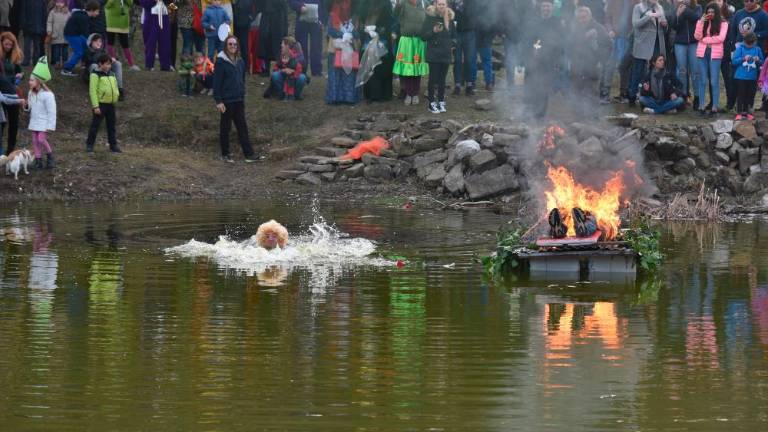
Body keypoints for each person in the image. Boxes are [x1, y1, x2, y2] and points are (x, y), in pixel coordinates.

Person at [213, 35, 260, 162]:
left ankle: (249, 155)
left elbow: (242, 80)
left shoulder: (240, 61)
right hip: (226, 101)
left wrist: (242, 93)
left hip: (238, 99)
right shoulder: (221, 62)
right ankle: (225, 154)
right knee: (225, 128)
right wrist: (218, 101)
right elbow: (216, 83)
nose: (233, 46)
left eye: (235, 44)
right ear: (226, 46)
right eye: (230, 44)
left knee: (242, 127)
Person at [524, 0, 564, 118]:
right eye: (544, 6)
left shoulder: (557, 23)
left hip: (549, 60)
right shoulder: (534, 21)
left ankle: (541, 114)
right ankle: (529, 113)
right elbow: (529, 39)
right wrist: (533, 49)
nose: (546, 8)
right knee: (532, 86)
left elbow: (561, 43)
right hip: (534, 60)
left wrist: (558, 60)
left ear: (552, 8)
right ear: (540, 8)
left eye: (548, 6)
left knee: (544, 88)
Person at [567, 6, 612, 102]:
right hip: (577, 67)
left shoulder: (599, 28)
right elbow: (569, 45)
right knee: (576, 95)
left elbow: (608, 45)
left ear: (590, 17)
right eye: (580, 18)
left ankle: (592, 111)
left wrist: (601, 60)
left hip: (593, 66)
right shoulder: (575, 29)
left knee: (592, 95)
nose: (582, 20)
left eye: (584, 17)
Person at [629, 0, 667, 105]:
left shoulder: (660, 8)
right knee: (638, 70)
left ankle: (653, 95)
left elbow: (663, 26)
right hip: (643, 43)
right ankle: (632, 96)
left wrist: (665, 24)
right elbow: (635, 24)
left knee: (655, 71)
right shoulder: (638, 7)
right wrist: (649, 16)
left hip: (657, 43)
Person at [694, 2, 727, 116]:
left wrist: (705, 40)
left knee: (714, 81)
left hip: (715, 54)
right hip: (702, 53)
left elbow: (721, 38)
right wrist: (701, 22)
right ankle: (701, 107)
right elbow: (697, 36)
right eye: (708, 12)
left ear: (716, 12)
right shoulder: (702, 22)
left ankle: (714, 108)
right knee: (702, 80)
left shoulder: (723, 23)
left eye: (713, 12)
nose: (710, 14)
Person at [358, 0, 394, 102]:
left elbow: (389, 21)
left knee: (381, 67)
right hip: (367, 40)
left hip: (383, 41)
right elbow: (360, 20)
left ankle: (382, 94)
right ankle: (370, 94)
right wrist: (365, 29)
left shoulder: (386, 4)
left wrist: (378, 30)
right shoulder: (364, 4)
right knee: (369, 67)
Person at [393, 0, 428, 105]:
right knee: (407, 69)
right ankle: (408, 93)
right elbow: (395, 14)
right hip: (406, 41)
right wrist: (398, 5)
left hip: (419, 41)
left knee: (417, 69)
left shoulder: (424, 3)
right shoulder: (403, 4)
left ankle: (415, 93)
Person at [325, 0, 360, 104]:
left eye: (347, 3)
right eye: (343, 3)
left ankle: (348, 98)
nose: (345, 5)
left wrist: (352, 34)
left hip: (350, 49)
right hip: (335, 49)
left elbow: (358, 32)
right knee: (335, 74)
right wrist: (342, 35)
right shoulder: (333, 16)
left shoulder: (354, 17)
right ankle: (335, 97)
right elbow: (330, 31)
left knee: (349, 73)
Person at [422, 0, 453, 113]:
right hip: (434, 53)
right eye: (439, 4)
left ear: (446, 5)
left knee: (442, 80)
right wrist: (433, 31)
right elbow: (423, 37)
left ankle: (441, 101)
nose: (441, 6)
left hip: (446, 53)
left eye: (443, 4)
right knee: (433, 79)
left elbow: (454, 35)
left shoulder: (450, 19)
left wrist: (453, 44)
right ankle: (431, 103)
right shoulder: (429, 18)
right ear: (435, 5)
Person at [86, 53, 121, 152]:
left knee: (111, 125)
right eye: (106, 64)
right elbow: (93, 91)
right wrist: (95, 106)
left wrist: (117, 94)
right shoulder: (95, 75)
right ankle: (90, 144)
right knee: (95, 125)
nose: (108, 66)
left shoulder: (112, 74)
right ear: (100, 64)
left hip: (111, 104)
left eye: (110, 64)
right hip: (100, 104)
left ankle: (113, 145)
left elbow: (115, 86)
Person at [26, 59, 57, 169]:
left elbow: (52, 111)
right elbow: (29, 107)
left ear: (38, 82)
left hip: (44, 122)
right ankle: (38, 161)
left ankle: (50, 156)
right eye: (29, 80)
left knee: (41, 139)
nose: (29, 82)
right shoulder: (31, 93)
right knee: (35, 141)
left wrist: (50, 126)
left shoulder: (48, 95)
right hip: (34, 121)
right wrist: (26, 105)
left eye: (32, 80)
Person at [670, 0, 701, 105]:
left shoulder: (697, 7)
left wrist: (684, 11)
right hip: (680, 44)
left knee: (695, 71)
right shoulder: (676, 8)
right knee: (682, 71)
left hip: (694, 43)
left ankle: (697, 97)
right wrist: (678, 15)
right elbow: (674, 26)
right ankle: (683, 95)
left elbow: (696, 18)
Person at [62, 0, 101, 76]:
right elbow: (85, 33)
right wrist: (93, 41)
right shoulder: (84, 18)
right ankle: (66, 69)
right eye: (97, 11)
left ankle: (87, 64)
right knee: (79, 52)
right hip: (71, 35)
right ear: (92, 10)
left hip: (77, 34)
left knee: (86, 45)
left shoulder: (84, 15)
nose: (98, 13)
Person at [289, 0, 324, 77]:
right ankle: (301, 69)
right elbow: (291, 1)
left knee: (316, 46)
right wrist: (299, 6)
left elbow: (323, 3)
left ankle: (317, 71)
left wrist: (322, 19)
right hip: (301, 20)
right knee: (301, 46)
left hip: (317, 20)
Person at [83, 33, 124, 99]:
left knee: (117, 64)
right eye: (96, 41)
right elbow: (92, 60)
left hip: (105, 72)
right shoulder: (87, 51)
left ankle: (119, 89)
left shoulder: (102, 51)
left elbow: (109, 57)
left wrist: (113, 59)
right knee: (94, 65)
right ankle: (100, 88)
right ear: (91, 42)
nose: (98, 43)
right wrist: (98, 51)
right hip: (91, 74)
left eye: (100, 41)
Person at [732, 31, 763, 119]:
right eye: (748, 44)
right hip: (741, 76)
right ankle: (739, 112)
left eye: (752, 44)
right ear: (744, 41)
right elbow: (734, 61)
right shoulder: (740, 48)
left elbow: (762, 62)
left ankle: (747, 112)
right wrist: (743, 58)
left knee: (750, 94)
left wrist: (758, 60)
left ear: (755, 42)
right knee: (741, 94)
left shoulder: (757, 49)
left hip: (752, 77)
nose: (750, 46)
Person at [0, 31, 21, 155]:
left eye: (11, 45)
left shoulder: (14, 56)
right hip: (1, 94)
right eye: (6, 44)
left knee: (14, 124)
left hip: (13, 93)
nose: (8, 47)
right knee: (2, 123)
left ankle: (11, 150)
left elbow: (19, 71)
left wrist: (20, 76)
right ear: (1, 43)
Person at [451, 0, 477, 96]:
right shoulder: (453, 3)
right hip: (457, 33)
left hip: (469, 32)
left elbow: (475, 14)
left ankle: (469, 85)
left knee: (469, 60)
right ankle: (457, 85)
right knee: (457, 60)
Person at [104, 0, 139, 71]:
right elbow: (106, 6)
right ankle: (113, 64)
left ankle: (131, 65)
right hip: (111, 21)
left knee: (125, 44)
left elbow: (130, 3)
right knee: (110, 43)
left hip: (123, 22)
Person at [257, 0, 288, 73]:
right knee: (265, 44)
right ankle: (265, 69)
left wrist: (285, 27)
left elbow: (284, 7)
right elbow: (259, 5)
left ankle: (280, 68)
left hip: (278, 20)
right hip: (266, 18)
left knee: (279, 46)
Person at [141, 0, 172, 71]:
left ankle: (165, 65)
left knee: (165, 41)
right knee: (150, 41)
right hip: (151, 16)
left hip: (164, 15)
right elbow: (143, 3)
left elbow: (171, 2)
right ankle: (149, 64)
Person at [271, 36, 303, 100]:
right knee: (275, 75)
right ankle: (282, 93)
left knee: (302, 77)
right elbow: (276, 67)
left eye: (282, 43)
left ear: (287, 45)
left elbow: (302, 67)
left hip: (294, 76)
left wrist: (293, 72)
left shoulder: (298, 55)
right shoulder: (282, 53)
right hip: (283, 75)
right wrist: (283, 70)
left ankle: (295, 94)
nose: (281, 45)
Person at [19, 0, 46, 67]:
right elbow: (23, 13)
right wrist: (23, 25)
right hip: (28, 27)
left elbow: (44, 15)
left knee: (37, 46)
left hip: (38, 27)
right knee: (27, 45)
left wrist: (43, 27)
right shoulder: (26, 1)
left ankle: (36, 61)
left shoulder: (42, 2)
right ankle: (26, 60)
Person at [0, 76, 23, 156]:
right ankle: (1, 153)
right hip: (5, 98)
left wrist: (18, 100)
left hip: (12, 97)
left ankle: (10, 151)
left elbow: (5, 99)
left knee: (13, 125)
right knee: (2, 125)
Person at [47, 0, 71, 70]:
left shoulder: (68, 12)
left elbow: (71, 23)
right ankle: (56, 63)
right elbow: (49, 22)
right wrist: (49, 30)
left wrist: (71, 31)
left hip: (65, 35)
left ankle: (64, 62)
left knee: (65, 51)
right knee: (56, 50)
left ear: (64, 3)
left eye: (61, 2)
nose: (59, 4)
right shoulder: (52, 12)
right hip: (56, 34)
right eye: (57, 2)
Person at [232, 0, 256, 69]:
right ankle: (234, 65)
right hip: (234, 25)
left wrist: (249, 19)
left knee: (244, 47)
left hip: (244, 26)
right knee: (233, 46)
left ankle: (245, 67)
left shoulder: (249, 1)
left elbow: (254, 12)